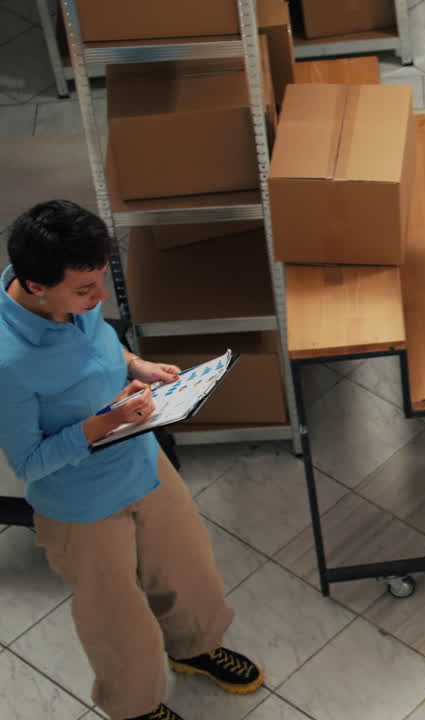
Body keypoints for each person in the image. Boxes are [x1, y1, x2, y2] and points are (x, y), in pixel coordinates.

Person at [0, 201, 263, 720]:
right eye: (85, 291)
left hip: (141, 461)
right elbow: (28, 462)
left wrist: (137, 363)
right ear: (35, 288)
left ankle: (194, 648)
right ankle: (136, 707)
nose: (100, 298)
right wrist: (104, 423)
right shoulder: (7, 362)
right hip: (81, 506)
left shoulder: (71, 292)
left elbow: (101, 344)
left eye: (100, 282)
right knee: (115, 616)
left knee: (188, 566)